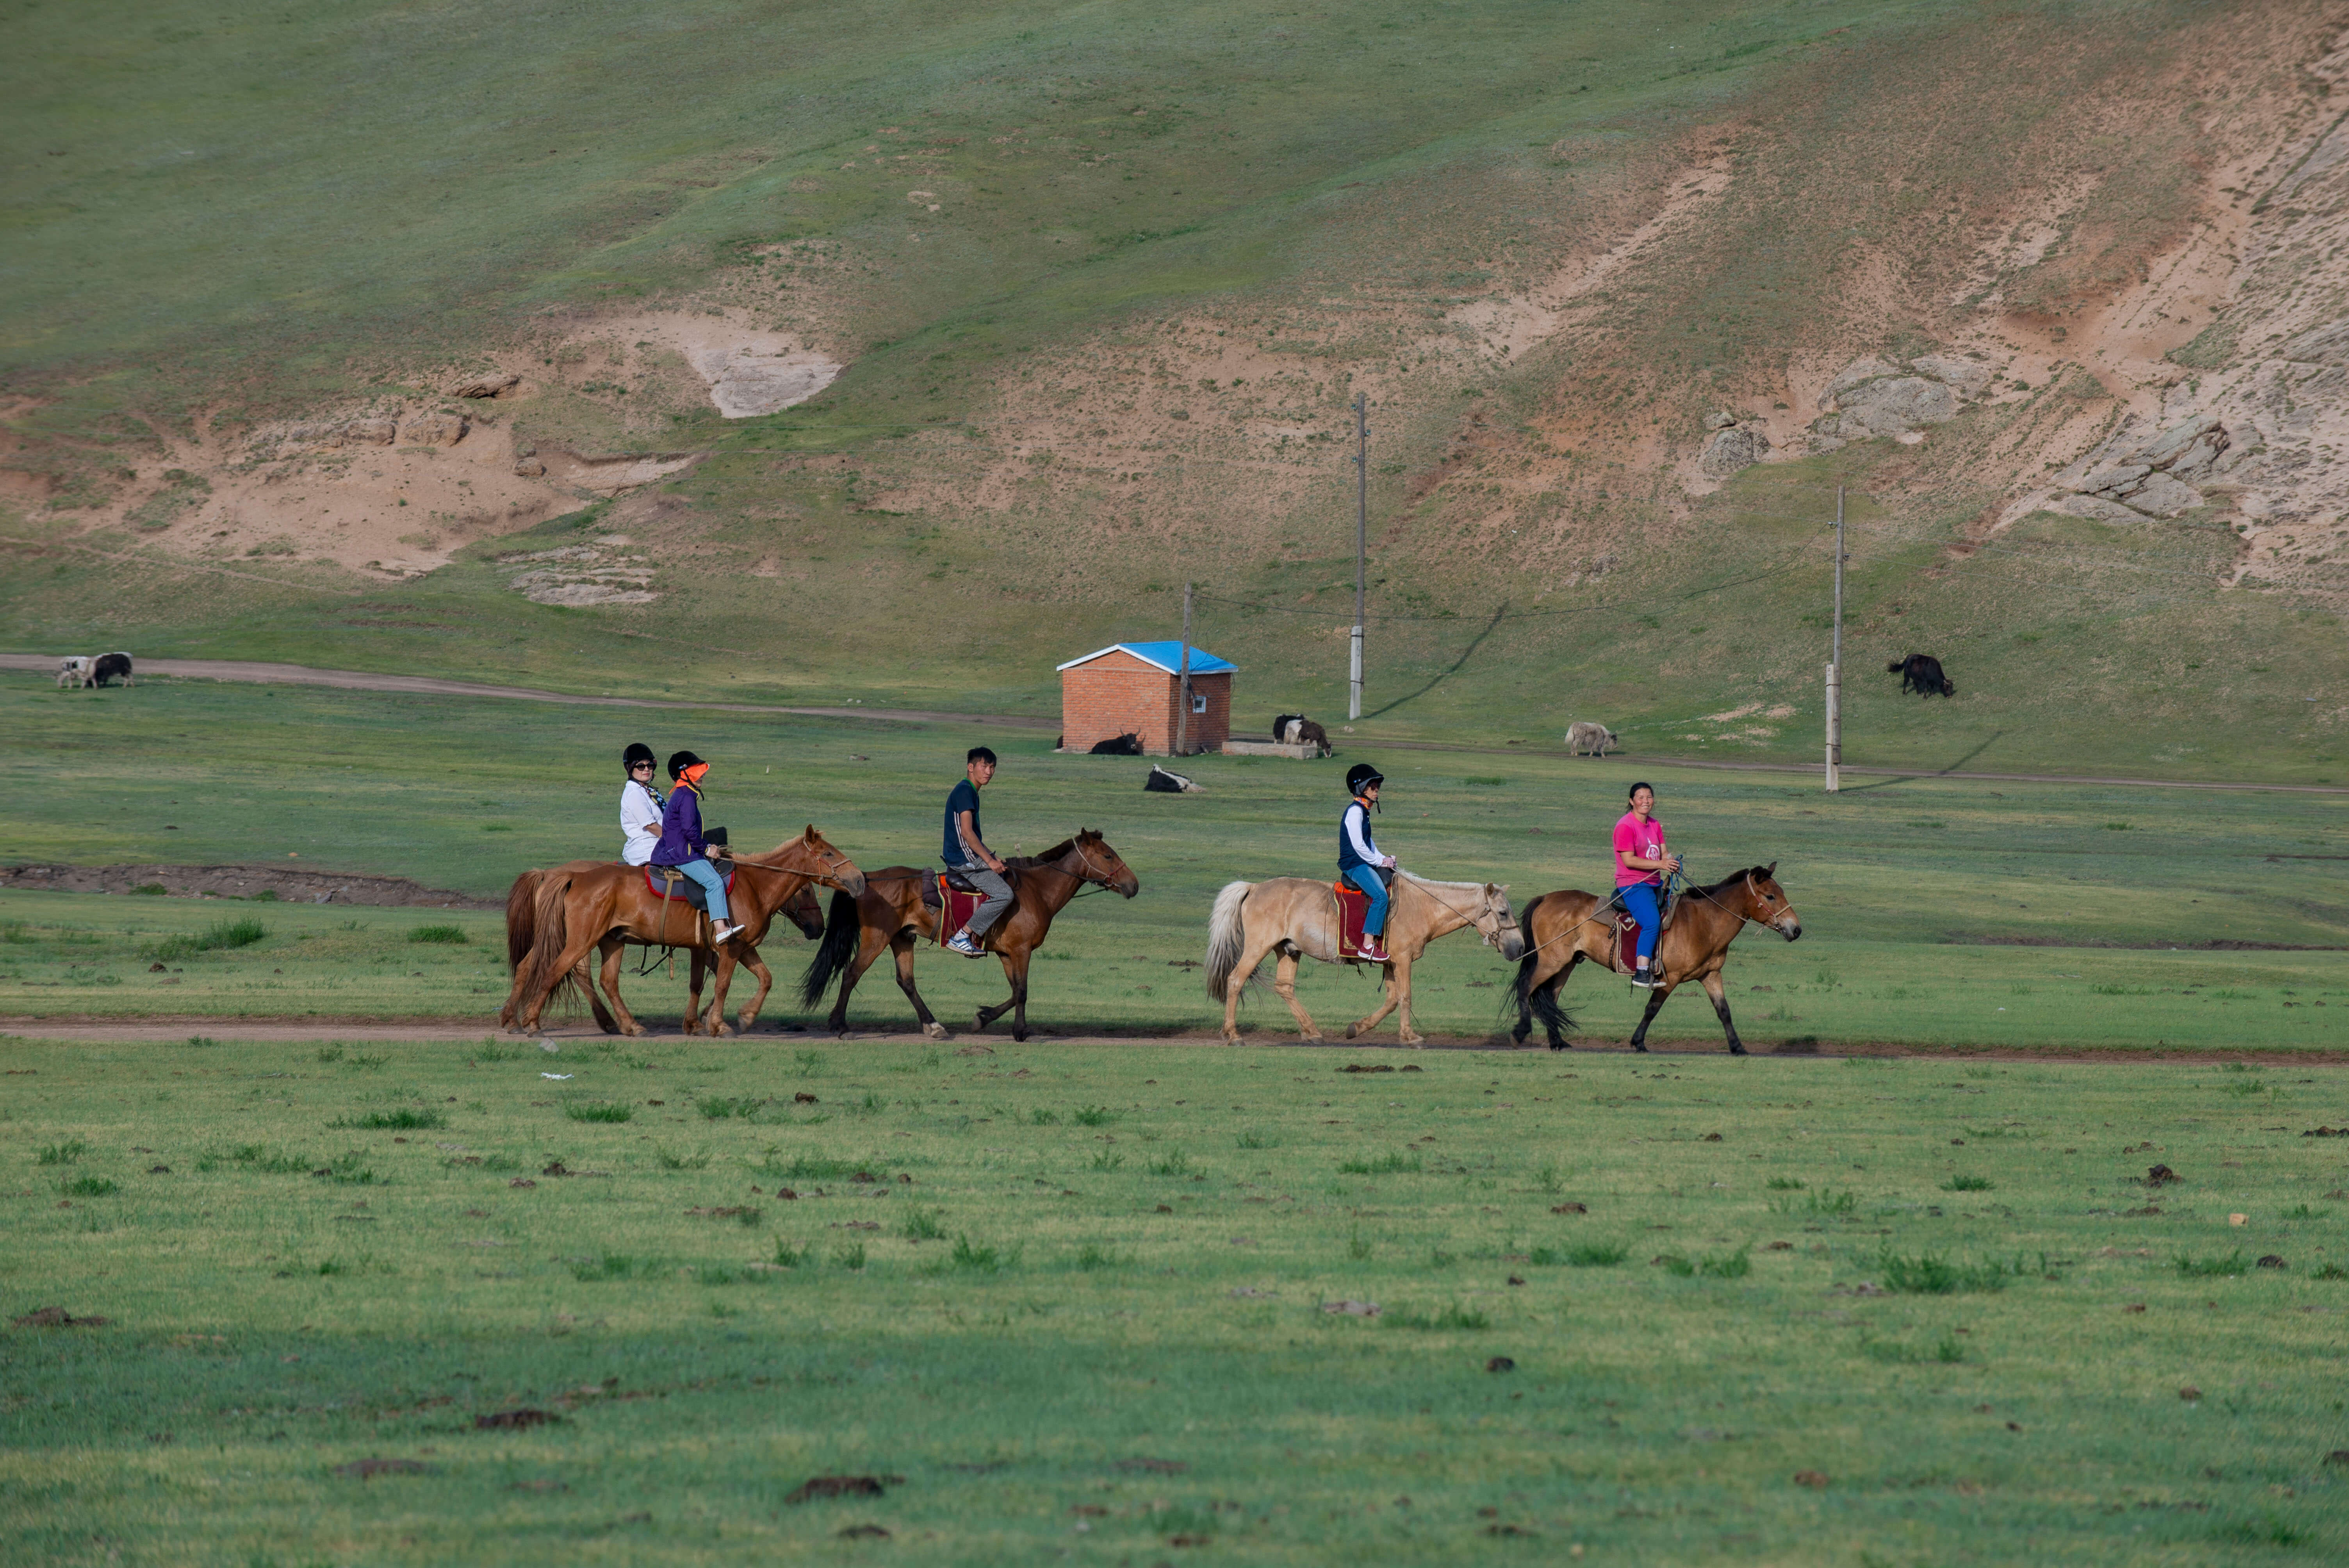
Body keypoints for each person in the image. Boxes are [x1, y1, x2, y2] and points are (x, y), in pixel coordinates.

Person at [650, 750, 740, 944]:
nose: (702, 777)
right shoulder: (686, 796)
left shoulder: (685, 794)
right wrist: (708, 849)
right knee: (715, 883)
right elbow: (690, 832)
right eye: (696, 773)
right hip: (682, 855)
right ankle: (721, 930)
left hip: (679, 851)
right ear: (684, 775)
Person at [943, 747, 1012, 957]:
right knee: (1004, 894)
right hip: (963, 860)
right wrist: (989, 862)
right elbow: (967, 833)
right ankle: (962, 936)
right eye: (984, 766)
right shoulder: (965, 791)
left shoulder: (970, 791)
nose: (989, 772)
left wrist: (992, 855)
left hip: (965, 855)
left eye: (992, 767)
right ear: (970, 767)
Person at [1613, 780, 1680, 988]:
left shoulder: (1655, 824)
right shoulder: (1625, 826)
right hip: (1633, 885)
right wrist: (1660, 864)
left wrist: (1670, 860)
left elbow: (1663, 851)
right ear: (1631, 801)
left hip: (1655, 884)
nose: (1646, 801)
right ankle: (1641, 972)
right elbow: (1629, 860)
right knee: (1652, 922)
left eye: (1649, 797)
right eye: (1641, 798)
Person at [1338, 761, 1395, 964]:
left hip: (1362, 861)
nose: (1377, 790)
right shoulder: (1355, 812)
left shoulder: (1364, 811)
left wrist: (1385, 860)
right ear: (1361, 789)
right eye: (1373, 786)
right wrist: (1380, 860)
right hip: (1354, 865)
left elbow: (1369, 843)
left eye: (1377, 786)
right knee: (1380, 896)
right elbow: (1359, 847)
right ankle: (1368, 946)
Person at [618, 743, 665, 867]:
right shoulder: (634, 793)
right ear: (631, 768)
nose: (646, 769)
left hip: (660, 848)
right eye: (641, 766)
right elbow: (650, 826)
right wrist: (677, 840)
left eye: (650, 765)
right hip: (648, 853)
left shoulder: (648, 790)